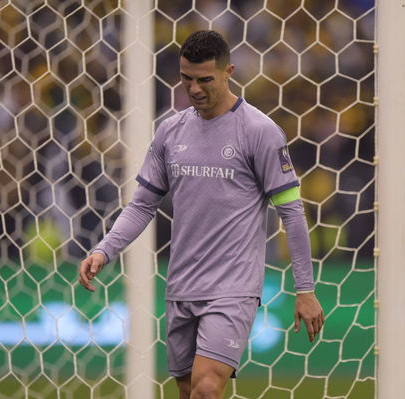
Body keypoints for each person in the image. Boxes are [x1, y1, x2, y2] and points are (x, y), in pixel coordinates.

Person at [79, 30, 324, 399]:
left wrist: (304, 288)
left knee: (207, 388)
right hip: (181, 285)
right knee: (189, 391)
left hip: (233, 288)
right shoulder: (170, 131)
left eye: (204, 79)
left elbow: (292, 213)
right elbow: (143, 203)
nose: (193, 89)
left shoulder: (260, 132)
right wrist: (105, 249)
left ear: (229, 72)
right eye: (186, 78)